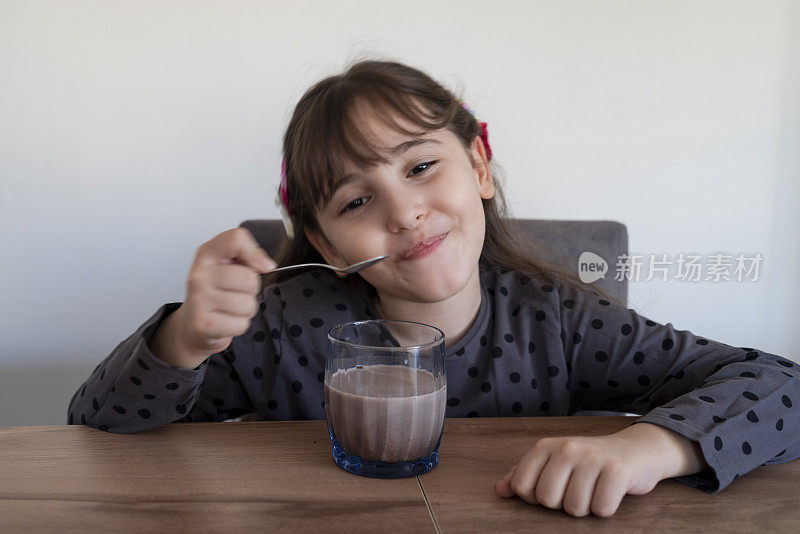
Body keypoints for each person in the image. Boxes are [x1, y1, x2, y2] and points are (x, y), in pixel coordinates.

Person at [68, 59, 799, 518]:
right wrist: (183, 340)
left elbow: (781, 388)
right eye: (356, 203)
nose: (404, 212)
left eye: (420, 167)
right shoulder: (279, 328)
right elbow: (94, 431)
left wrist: (651, 448)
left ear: (480, 165)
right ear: (323, 245)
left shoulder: (564, 322)